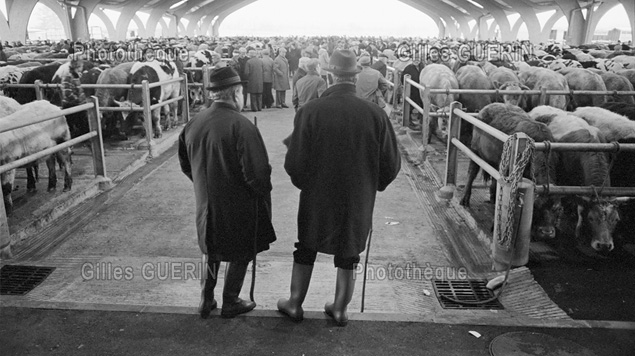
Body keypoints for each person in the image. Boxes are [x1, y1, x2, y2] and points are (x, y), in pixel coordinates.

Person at [279, 50, 401, 327]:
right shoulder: (376, 114)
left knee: (306, 246)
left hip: (317, 195)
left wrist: (306, 184)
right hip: (358, 196)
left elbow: (294, 162)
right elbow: (392, 163)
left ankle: (295, 304)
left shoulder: (310, 111)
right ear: (355, 76)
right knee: (349, 253)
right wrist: (373, 185)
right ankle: (339, 309)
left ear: (330, 74)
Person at [178, 67, 277, 319]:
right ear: (236, 93)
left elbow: (185, 164)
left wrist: (204, 183)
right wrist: (261, 193)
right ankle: (231, 300)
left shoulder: (193, 122)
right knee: (241, 251)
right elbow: (257, 173)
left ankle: (206, 299)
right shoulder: (242, 126)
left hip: (205, 204)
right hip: (237, 203)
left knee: (211, 251)